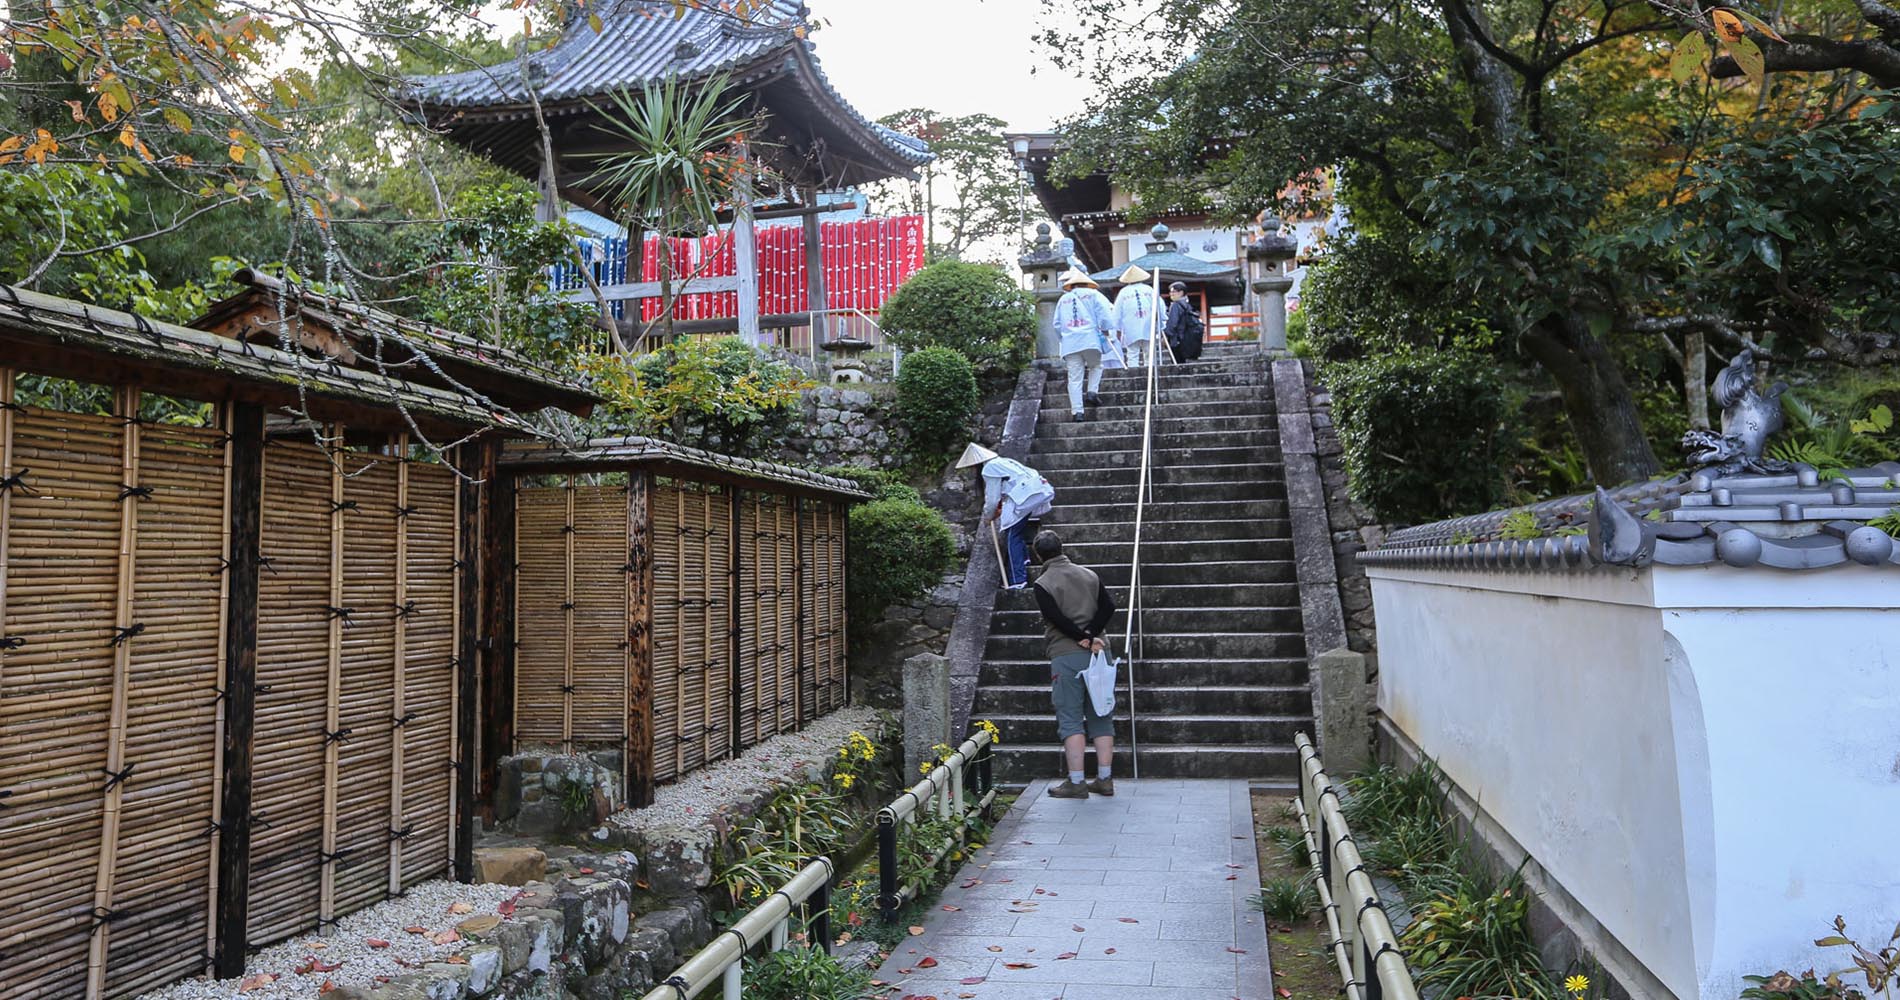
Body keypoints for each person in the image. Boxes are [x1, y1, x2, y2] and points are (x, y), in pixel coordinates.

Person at [1030, 530, 1117, 798]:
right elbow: (1108, 607)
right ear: (1062, 547)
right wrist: (1092, 634)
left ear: (1038, 554)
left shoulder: (1043, 583)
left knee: (1070, 717)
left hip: (1066, 654)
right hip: (1099, 653)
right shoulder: (1089, 574)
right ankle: (1105, 778)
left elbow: (1055, 617)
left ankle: (1077, 782)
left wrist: (1081, 637)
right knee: (1101, 715)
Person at [957, 443, 1054, 590]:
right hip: (1031, 493)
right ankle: (1024, 560)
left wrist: (988, 516)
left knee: (1012, 537)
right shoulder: (1004, 461)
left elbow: (992, 499)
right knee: (1017, 532)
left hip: (1022, 498)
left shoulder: (990, 468)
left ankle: (1018, 580)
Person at [1054, 269, 1114, 421]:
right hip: (1090, 339)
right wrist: (1105, 329)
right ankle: (1092, 391)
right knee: (1096, 366)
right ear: (1086, 283)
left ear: (1071, 285)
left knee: (1074, 378)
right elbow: (1105, 314)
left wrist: (1063, 338)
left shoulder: (1063, 299)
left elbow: (1056, 324)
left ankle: (1077, 412)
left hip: (1070, 343)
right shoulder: (1094, 295)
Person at [1112, 264, 1159, 368]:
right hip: (1148, 324)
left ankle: (1133, 372)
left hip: (1130, 326)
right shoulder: (1149, 289)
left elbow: (1117, 312)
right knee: (1149, 351)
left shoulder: (1123, 292)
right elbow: (1159, 306)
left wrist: (1117, 329)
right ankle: (1150, 370)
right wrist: (1161, 321)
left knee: (1132, 353)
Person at [1164, 280, 1204, 362]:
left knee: (1177, 362)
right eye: (1170, 292)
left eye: (1173, 292)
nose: (1171, 294)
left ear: (1181, 292)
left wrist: (1166, 335)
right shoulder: (1187, 305)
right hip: (1185, 340)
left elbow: (1172, 323)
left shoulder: (1176, 305)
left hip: (1177, 339)